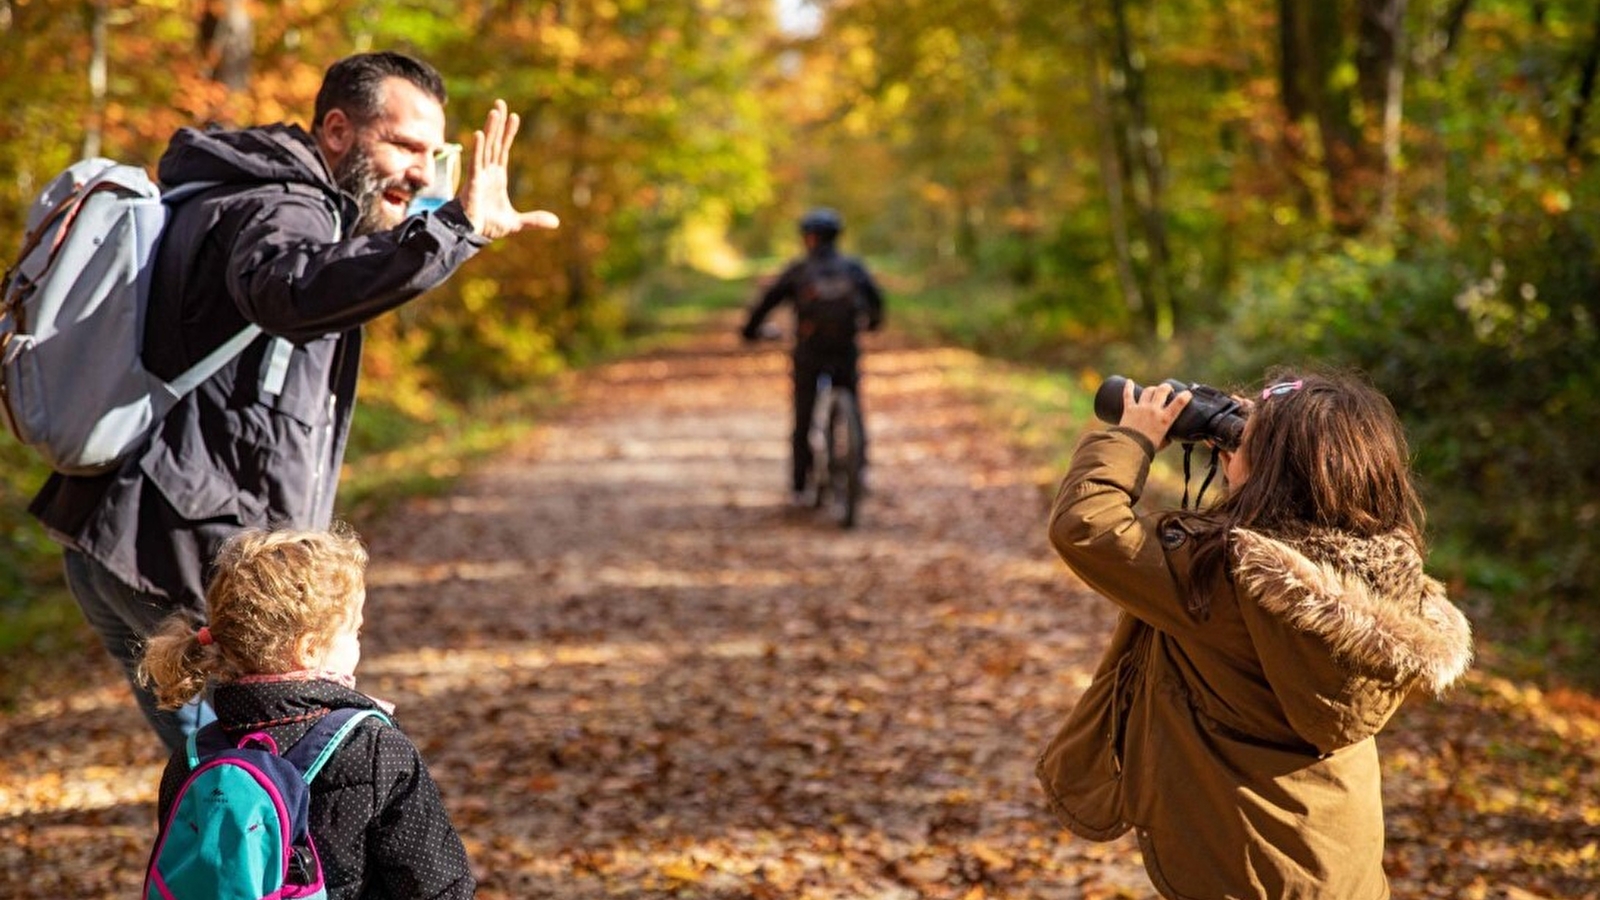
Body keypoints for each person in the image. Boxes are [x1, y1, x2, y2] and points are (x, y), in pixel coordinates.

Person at [27, 50, 559, 753]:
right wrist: (455, 230)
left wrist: (450, 230)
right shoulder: (283, 204)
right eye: (403, 144)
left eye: (435, 153)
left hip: (124, 538)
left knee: (221, 782)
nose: (424, 172)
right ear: (337, 132)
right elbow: (294, 288)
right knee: (271, 786)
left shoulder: (241, 189)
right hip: (186, 557)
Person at [1036, 369, 1474, 899]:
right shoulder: (1388, 575)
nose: (1231, 444)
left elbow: (1086, 524)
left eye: (1249, 441)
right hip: (1336, 864)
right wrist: (1274, 432)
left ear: (1274, 473)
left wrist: (1135, 435)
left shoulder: (1224, 577)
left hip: (1241, 868)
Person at [139, 525, 475, 899]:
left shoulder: (192, 759)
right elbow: (439, 886)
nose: (358, 644)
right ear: (310, 648)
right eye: (355, 632)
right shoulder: (375, 749)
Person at [741, 207, 885, 504]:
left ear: (808, 238)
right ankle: (859, 472)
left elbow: (767, 302)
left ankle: (799, 484)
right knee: (853, 403)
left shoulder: (800, 269)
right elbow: (876, 303)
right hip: (845, 348)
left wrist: (751, 331)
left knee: (804, 414)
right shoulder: (853, 268)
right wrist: (871, 324)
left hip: (809, 350)